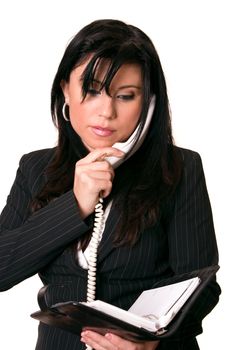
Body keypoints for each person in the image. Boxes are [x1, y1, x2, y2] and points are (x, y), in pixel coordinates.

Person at [0, 19, 221, 350]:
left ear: (148, 102)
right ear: (65, 90)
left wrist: (152, 342)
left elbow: (202, 287)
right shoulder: (35, 169)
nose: (106, 112)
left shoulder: (181, 168)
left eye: (126, 96)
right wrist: (75, 204)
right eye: (90, 91)